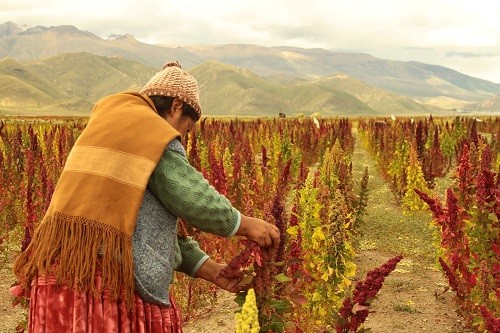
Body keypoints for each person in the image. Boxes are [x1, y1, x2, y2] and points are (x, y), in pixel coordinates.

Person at [12, 61, 280, 332]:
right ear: (176, 107)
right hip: (103, 286)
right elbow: (193, 198)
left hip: (60, 278)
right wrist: (245, 224)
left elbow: (146, 227)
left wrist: (211, 271)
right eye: (186, 128)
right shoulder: (151, 132)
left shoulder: (109, 126)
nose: (181, 138)